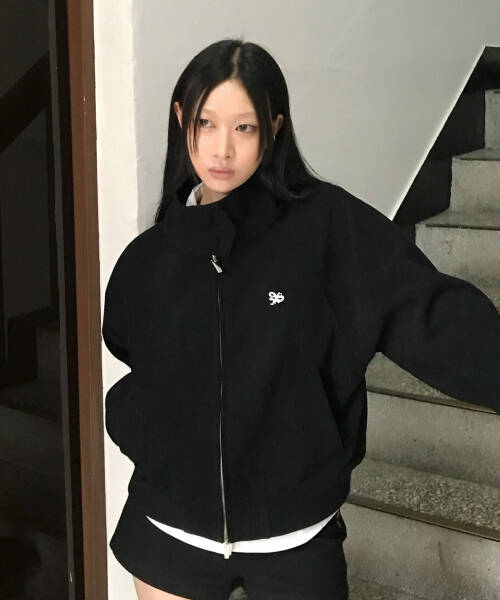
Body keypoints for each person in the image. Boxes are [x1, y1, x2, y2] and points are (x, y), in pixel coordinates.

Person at [102, 38, 500, 600]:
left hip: (295, 538)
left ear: (274, 128)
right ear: (181, 118)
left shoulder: (327, 228)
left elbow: (431, 315)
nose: (221, 148)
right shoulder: (148, 259)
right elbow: (129, 348)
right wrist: (148, 431)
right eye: (206, 122)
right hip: (169, 531)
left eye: (244, 127)